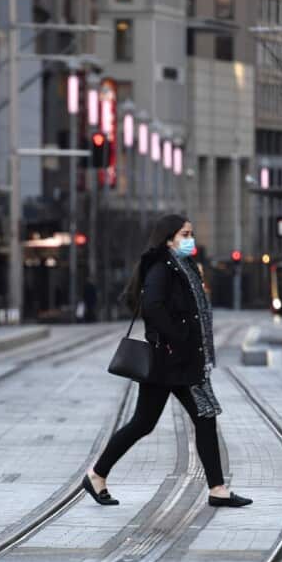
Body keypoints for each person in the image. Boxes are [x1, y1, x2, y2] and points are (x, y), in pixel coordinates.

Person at [84, 214, 252, 509]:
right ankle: (217, 489)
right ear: (169, 238)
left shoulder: (184, 267)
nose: (190, 240)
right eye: (185, 234)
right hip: (174, 361)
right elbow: (152, 307)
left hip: (178, 362)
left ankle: (97, 475)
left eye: (191, 234)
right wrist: (181, 338)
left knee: (147, 423)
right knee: (200, 417)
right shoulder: (162, 268)